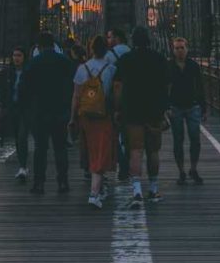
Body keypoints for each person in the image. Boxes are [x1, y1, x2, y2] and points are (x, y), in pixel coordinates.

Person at [113, 25, 168, 208]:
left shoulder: (125, 59)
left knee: (135, 151)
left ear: (132, 41)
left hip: (132, 111)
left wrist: (118, 109)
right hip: (154, 111)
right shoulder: (159, 59)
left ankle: (136, 191)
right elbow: (166, 86)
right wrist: (164, 108)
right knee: (153, 151)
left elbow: (118, 88)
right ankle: (153, 189)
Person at [22, 30, 73, 195]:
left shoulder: (33, 63)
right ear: (53, 45)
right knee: (60, 148)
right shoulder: (65, 62)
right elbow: (72, 86)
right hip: (60, 112)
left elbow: (24, 89)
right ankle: (63, 182)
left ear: (39, 46)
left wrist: (28, 110)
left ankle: (39, 184)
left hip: (40, 113)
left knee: (40, 149)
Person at [70, 34, 116, 209]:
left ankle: (99, 187)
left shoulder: (82, 68)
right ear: (107, 50)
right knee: (101, 151)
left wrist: (72, 117)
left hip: (85, 116)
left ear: (91, 49)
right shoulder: (111, 69)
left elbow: (75, 96)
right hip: (103, 115)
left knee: (91, 149)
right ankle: (94, 193)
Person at [167, 37, 206, 185]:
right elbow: (165, 87)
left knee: (195, 138)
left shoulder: (194, 66)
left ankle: (193, 169)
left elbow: (200, 86)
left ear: (187, 49)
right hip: (175, 107)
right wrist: (166, 106)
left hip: (193, 106)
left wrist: (203, 108)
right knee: (178, 140)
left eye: (182, 47)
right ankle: (181, 171)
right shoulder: (168, 66)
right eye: (177, 48)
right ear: (173, 50)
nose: (179, 51)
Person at [105, 27, 130, 179]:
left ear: (116, 38)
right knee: (128, 133)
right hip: (131, 98)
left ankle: (122, 164)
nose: (108, 40)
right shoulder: (131, 52)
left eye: (109, 37)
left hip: (113, 99)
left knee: (113, 134)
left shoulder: (108, 55)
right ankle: (128, 161)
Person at [4, 47, 30, 181]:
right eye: (14, 55)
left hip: (25, 109)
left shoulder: (28, 72)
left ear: (24, 57)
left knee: (22, 137)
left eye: (19, 55)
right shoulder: (9, 72)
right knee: (17, 138)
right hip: (13, 108)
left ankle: (23, 166)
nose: (16, 58)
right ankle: (23, 165)